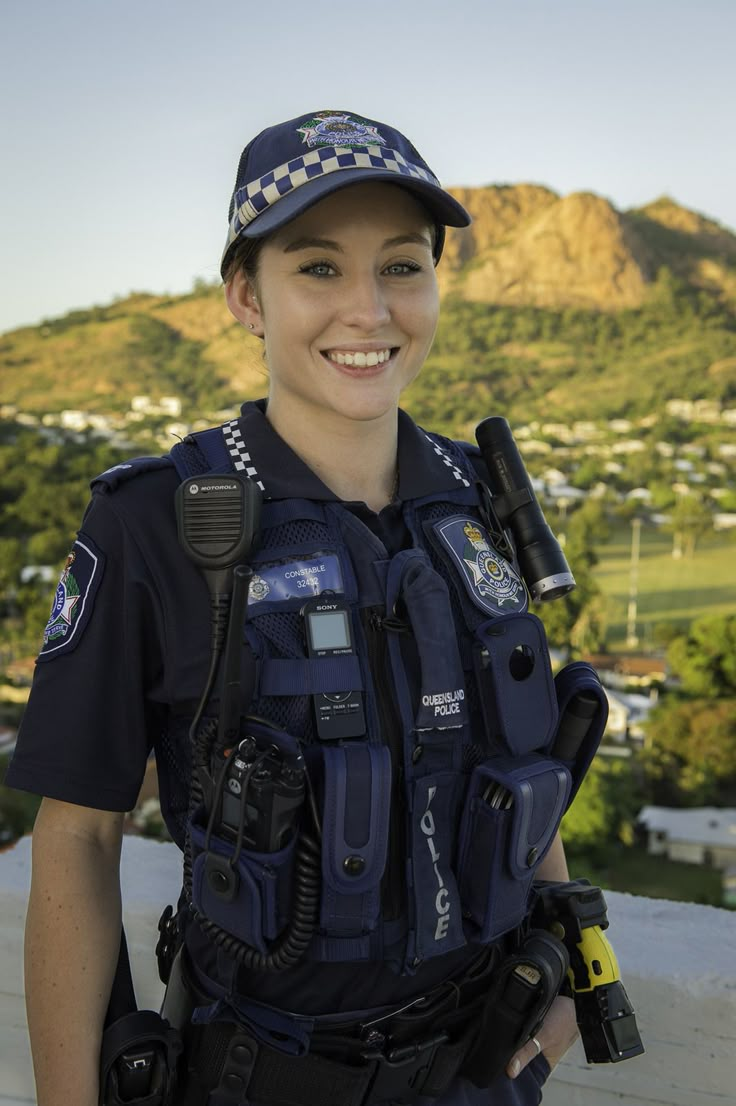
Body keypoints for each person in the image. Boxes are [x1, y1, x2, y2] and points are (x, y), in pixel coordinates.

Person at [7, 109, 587, 1106]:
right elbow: (78, 839)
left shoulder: (479, 496)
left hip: (484, 1073)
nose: (368, 309)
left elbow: (517, 752)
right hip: (257, 1075)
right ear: (246, 295)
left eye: (401, 266)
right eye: (318, 268)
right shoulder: (158, 521)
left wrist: (573, 942)